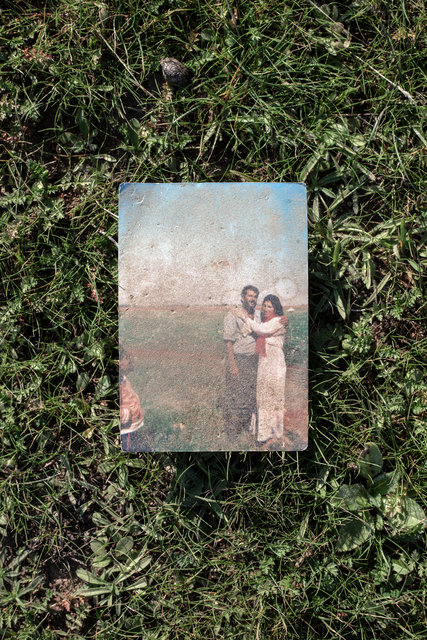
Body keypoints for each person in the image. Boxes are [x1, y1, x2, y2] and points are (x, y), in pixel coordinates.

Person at [234, 295, 288, 446]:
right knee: (263, 396)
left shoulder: (278, 321)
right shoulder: (265, 321)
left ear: (276, 308)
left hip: (275, 363)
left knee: (274, 395)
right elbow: (247, 331)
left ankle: (272, 432)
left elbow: (261, 330)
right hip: (265, 362)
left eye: (269, 306)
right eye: (264, 305)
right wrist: (245, 319)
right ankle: (262, 432)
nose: (265, 308)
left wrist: (245, 318)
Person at [223, 285, 261, 436]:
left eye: (255, 296)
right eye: (250, 296)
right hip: (240, 360)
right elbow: (228, 342)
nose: (252, 299)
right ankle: (232, 431)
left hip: (255, 360)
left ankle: (247, 428)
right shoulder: (232, 315)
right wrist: (233, 365)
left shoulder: (258, 315)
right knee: (237, 395)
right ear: (242, 297)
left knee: (251, 395)